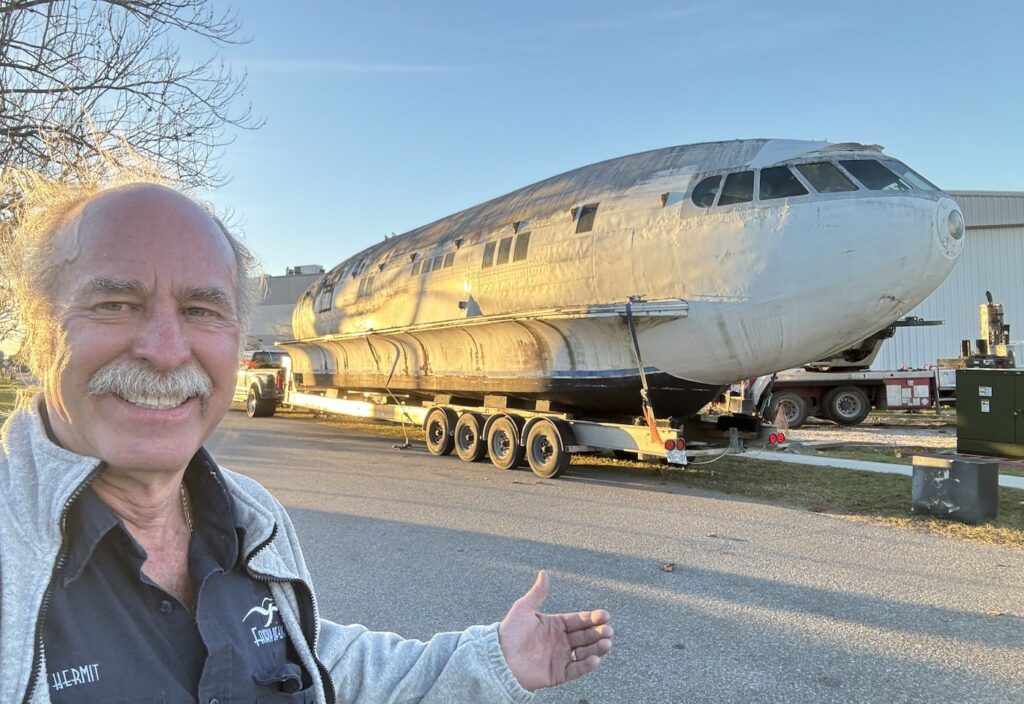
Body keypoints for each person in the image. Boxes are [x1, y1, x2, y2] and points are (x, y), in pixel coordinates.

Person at [0, 176, 613, 703]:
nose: (164, 350)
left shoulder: (249, 518)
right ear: (35, 331)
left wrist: (491, 660)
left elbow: (314, 659)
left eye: (202, 310)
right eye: (114, 302)